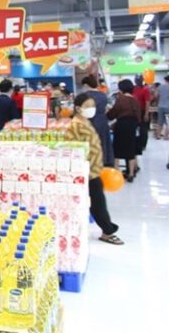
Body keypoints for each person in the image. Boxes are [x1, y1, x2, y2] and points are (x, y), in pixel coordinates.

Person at [66, 93, 123, 245]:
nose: (91, 108)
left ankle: (106, 228)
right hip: (87, 171)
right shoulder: (75, 125)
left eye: (92, 105)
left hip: (94, 169)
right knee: (98, 201)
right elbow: (72, 148)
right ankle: (107, 231)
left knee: (96, 200)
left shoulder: (85, 121)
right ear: (78, 108)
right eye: (87, 106)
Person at [107, 79, 141, 182]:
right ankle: (131, 174)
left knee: (117, 148)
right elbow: (138, 116)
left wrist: (108, 113)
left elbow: (113, 114)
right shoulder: (135, 100)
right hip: (132, 126)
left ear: (121, 88)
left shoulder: (121, 99)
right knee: (130, 149)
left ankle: (116, 173)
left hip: (121, 125)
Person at [80, 75, 115, 167]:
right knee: (103, 143)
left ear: (86, 85)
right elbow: (107, 108)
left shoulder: (85, 96)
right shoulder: (103, 95)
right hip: (103, 121)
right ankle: (104, 161)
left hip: (90, 122)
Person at [133, 75, 151, 155]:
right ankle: (136, 144)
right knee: (134, 129)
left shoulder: (145, 89)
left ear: (142, 80)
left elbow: (147, 102)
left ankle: (143, 145)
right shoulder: (133, 88)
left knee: (143, 130)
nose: (138, 81)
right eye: (137, 80)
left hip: (143, 111)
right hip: (134, 111)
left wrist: (146, 114)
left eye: (139, 80)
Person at [157, 75, 169, 140]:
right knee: (168, 123)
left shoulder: (160, 86)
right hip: (168, 106)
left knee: (160, 122)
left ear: (165, 80)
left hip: (160, 106)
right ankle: (166, 136)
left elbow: (157, 96)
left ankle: (158, 135)